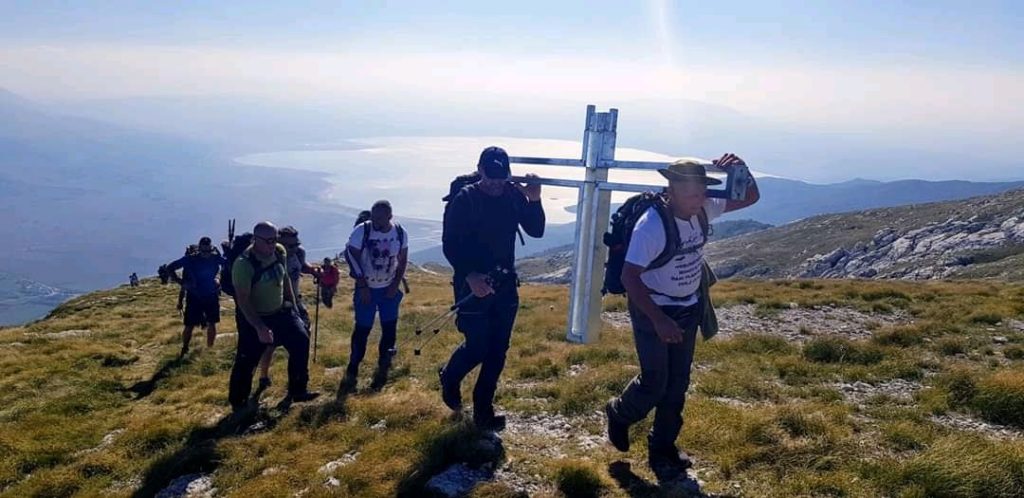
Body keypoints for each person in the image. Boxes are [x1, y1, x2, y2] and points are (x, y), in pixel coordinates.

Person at [604, 154, 760, 482]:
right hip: (654, 309)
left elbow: (750, 196)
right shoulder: (652, 225)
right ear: (671, 190)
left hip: (688, 307)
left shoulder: (702, 208)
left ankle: (663, 449)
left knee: (678, 383)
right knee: (655, 381)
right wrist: (659, 319)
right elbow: (630, 277)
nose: (699, 200)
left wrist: (740, 169)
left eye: (702, 192)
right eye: (691, 194)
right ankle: (619, 413)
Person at [439, 146, 545, 431]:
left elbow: (536, 230)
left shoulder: (512, 196)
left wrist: (534, 200)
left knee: (498, 350)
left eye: (501, 177)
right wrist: (470, 274)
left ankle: (483, 411)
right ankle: (450, 377)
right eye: (490, 176)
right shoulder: (465, 200)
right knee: (478, 347)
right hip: (470, 285)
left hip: (505, 283)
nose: (495, 183)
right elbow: (450, 244)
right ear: (480, 170)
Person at [228, 221, 319, 411]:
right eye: (268, 241)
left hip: (281, 313)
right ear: (255, 239)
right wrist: (260, 327)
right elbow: (243, 300)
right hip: (254, 318)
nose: (272, 244)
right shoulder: (243, 264)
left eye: (274, 240)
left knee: (301, 341)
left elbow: (285, 280)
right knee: (247, 360)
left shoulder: (279, 252)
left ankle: (298, 390)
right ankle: (239, 403)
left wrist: (294, 309)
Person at [342, 200, 409, 392]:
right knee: (363, 328)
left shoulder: (399, 233)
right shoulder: (362, 231)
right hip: (367, 289)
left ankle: (384, 363)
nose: (375, 221)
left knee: (389, 327)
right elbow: (351, 255)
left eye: (380, 218)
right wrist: (362, 285)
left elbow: (402, 260)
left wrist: (395, 285)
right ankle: (353, 366)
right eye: (373, 216)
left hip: (388, 288)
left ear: (390, 216)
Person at [255, 225, 316, 391]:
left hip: (295, 303)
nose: (294, 248)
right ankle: (263, 376)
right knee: (270, 344)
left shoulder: (298, 253)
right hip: (275, 308)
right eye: (290, 245)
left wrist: (313, 271)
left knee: (301, 342)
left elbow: (301, 265)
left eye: (297, 244)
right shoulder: (272, 258)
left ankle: (297, 385)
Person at [163, 237, 225, 357]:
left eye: (208, 251)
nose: (206, 254)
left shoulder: (214, 258)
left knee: (211, 323)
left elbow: (229, 265)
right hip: (195, 296)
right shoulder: (191, 259)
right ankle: (185, 347)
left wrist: (219, 280)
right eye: (204, 251)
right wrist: (181, 282)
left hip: (209, 295)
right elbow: (170, 267)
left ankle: (209, 350)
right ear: (199, 249)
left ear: (211, 249)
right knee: (190, 325)